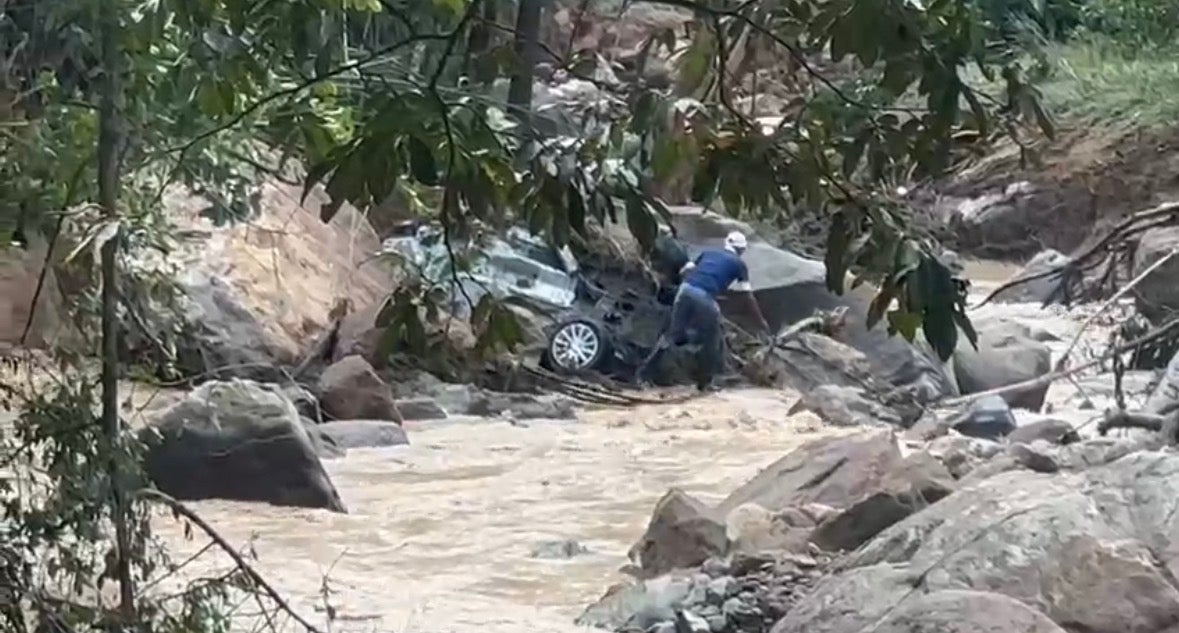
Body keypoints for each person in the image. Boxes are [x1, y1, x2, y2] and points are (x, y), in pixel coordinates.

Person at [637, 230, 772, 392]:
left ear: (726, 244)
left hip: (684, 290)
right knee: (712, 340)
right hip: (704, 297)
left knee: (673, 336)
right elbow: (747, 297)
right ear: (742, 250)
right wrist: (760, 321)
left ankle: (643, 375)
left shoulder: (709, 253)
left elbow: (685, 271)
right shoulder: (739, 264)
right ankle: (704, 383)